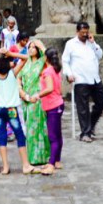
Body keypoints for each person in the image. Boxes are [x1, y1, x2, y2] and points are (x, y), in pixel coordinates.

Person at [0, 53, 35, 174]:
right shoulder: (12, 74)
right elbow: (25, 58)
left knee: (2, 136)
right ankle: (25, 165)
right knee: (19, 135)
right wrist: (10, 53)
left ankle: (5, 167)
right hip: (11, 109)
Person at [62, 21, 103, 142]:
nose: (85, 35)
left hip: (94, 78)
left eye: (86, 32)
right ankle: (85, 133)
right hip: (80, 78)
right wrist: (69, 74)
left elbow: (100, 55)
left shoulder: (91, 43)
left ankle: (90, 125)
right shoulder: (70, 44)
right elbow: (65, 61)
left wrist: (93, 43)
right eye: (82, 33)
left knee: (102, 101)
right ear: (77, 32)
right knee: (83, 107)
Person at [18, 38, 50, 168]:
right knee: (28, 129)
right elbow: (18, 80)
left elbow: (51, 57)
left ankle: (41, 156)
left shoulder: (43, 63)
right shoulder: (24, 63)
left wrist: (41, 45)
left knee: (38, 127)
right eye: (29, 47)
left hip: (38, 98)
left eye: (33, 47)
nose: (31, 49)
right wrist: (23, 95)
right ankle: (31, 157)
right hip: (26, 98)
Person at [33, 46, 65, 175]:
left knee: (53, 136)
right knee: (57, 135)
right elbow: (60, 90)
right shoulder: (56, 70)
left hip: (53, 106)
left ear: (46, 58)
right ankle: (56, 160)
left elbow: (50, 88)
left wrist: (38, 95)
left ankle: (51, 164)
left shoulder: (48, 72)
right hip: (58, 104)